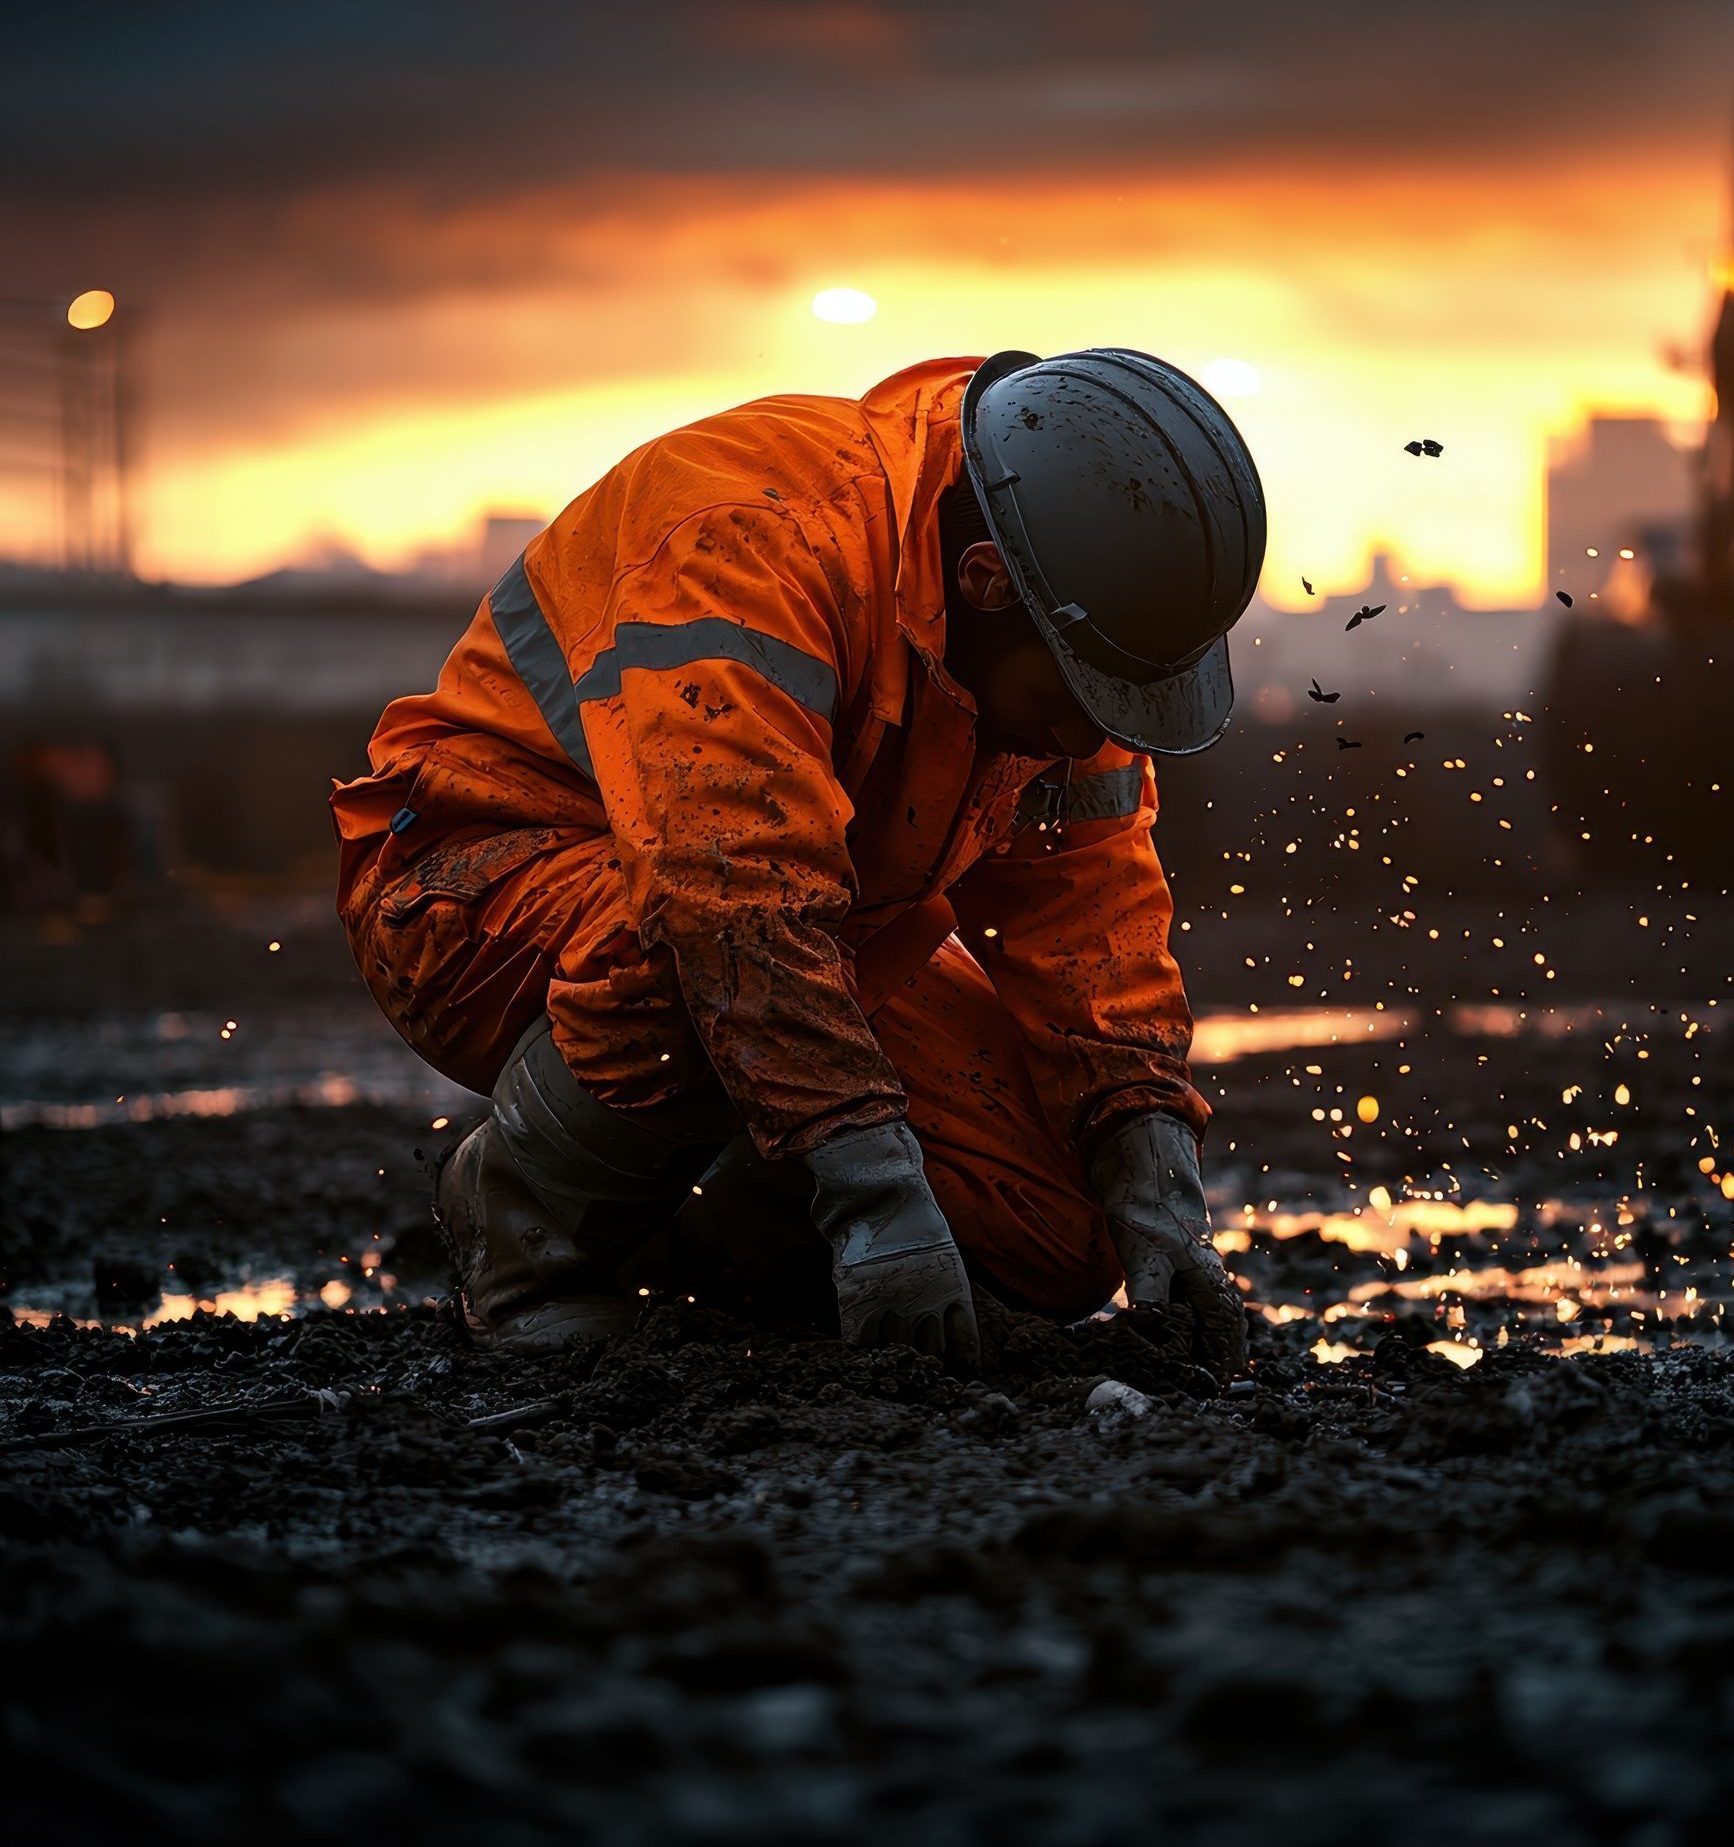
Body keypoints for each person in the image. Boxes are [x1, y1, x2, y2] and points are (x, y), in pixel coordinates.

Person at [329, 348, 1264, 1381]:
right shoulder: (750, 542)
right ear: (984, 581)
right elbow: (732, 900)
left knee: (1054, 1236)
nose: (1088, 734)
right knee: (691, 943)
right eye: (1075, 702)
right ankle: (526, 1251)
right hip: (474, 887)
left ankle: (673, 1260)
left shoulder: (1067, 638)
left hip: (797, 929)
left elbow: (1091, 926)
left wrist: (1155, 1184)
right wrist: (876, 1197)